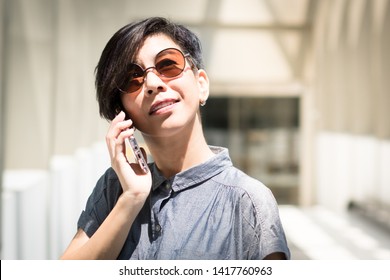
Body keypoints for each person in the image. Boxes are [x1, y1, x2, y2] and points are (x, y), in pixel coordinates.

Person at [60, 17, 290, 260]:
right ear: (123, 113)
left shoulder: (247, 200)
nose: (152, 83)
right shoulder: (114, 187)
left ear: (201, 84)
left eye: (168, 65)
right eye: (132, 79)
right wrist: (131, 198)